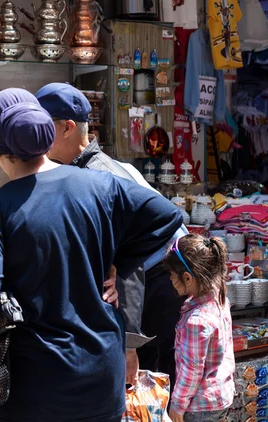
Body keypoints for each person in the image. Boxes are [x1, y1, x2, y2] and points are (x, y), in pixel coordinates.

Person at [0, 88, 184, 421]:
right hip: (102, 380)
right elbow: (167, 216)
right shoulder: (101, 186)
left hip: (33, 388)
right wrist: (120, 264)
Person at [36, 82, 188, 388]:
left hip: (163, 280)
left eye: (42, 127)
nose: (36, 135)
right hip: (157, 279)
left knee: (149, 388)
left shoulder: (101, 176)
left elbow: (128, 268)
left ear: (67, 128)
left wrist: (129, 344)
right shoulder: (83, 169)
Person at [163, 235, 235, 422]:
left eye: (171, 275)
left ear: (187, 277)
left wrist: (177, 406)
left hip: (200, 405)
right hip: (221, 395)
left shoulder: (196, 321)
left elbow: (191, 370)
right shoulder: (220, 300)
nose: (170, 280)